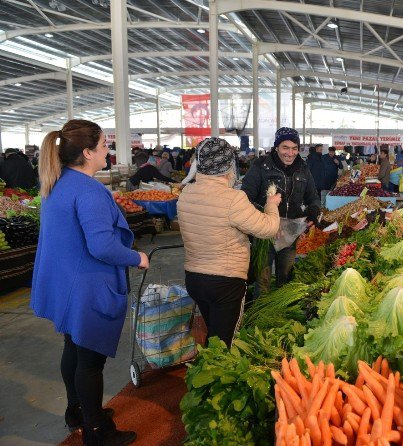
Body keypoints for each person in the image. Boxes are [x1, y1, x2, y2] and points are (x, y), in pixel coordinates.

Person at [30, 119, 149, 445]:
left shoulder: (57, 182)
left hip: (65, 284)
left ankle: (76, 412)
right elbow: (102, 245)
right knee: (90, 363)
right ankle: (97, 431)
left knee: (74, 348)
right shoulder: (89, 190)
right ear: (87, 152)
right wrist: (136, 257)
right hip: (86, 287)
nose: (107, 151)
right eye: (103, 146)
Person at [177, 137, 281, 346]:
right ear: (228, 165)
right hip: (225, 282)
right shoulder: (233, 198)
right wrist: (272, 205)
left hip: (195, 279)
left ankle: (206, 371)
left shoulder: (186, 193)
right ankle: (212, 375)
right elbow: (268, 228)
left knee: (214, 336)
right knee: (224, 343)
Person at [241, 127, 320, 294]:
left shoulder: (303, 168)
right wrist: (269, 221)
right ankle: (260, 313)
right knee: (262, 281)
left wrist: (313, 212)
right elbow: (245, 199)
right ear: (276, 147)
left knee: (285, 279)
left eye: (294, 148)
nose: (290, 153)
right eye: (285, 147)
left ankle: (279, 314)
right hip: (264, 234)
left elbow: (313, 197)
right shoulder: (260, 166)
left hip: (290, 233)